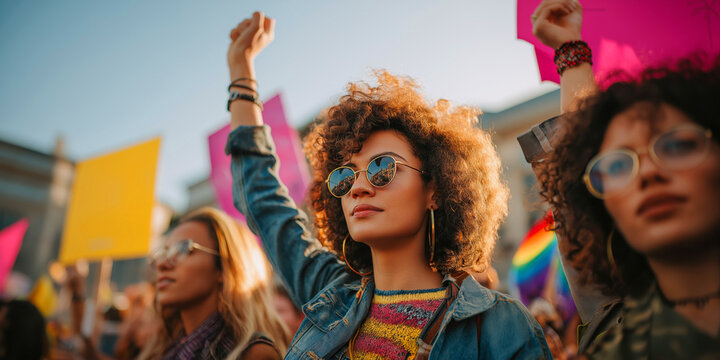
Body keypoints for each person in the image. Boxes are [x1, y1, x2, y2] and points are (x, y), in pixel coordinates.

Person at [224, 12, 551, 359]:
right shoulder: (329, 293)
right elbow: (265, 203)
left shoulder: (501, 325)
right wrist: (241, 73)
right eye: (344, 176)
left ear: (435, 190)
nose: (358, 188)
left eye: (382, 169)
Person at [528, 0, 720, 357]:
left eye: (676, 145)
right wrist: (571, 51)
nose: (647, 171)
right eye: (617, 166)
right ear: (600, 209)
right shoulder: (611, 345)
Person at [139, 207, 290, 360]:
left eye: (183, 248)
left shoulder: (253, 354)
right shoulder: (160, 351)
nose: (162, 264)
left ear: (224, 267)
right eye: (164, 252)